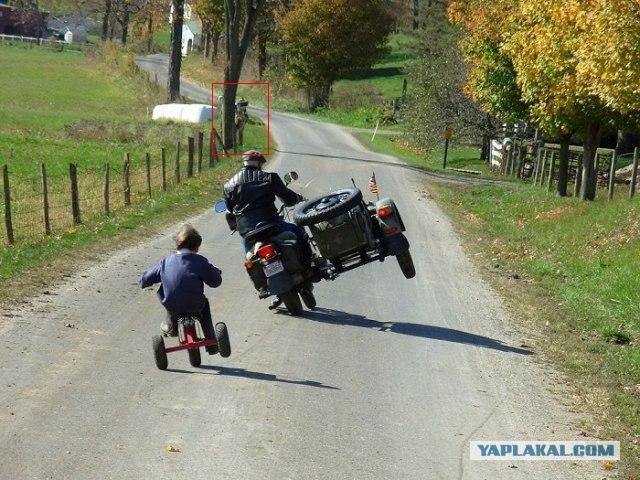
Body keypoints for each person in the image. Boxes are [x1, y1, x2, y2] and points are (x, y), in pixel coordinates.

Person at [139, 225, 222, 354]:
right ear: (197, 246)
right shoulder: (200, 261)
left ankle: (171, 326)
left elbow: (145, 280)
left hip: (172, 305)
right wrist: (216, 273)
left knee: (171, 299)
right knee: (204, 306)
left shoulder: (165, 262)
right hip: (196, 304)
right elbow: (215, 282)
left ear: (177, 244)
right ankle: (211, 343)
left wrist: (143, 280)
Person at [223, 150, 311, 258]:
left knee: (249, 257)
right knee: (300, 232)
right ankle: (309, 267)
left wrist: (235, 225)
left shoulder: (228, 186)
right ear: (259, 163)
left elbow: (229, 211)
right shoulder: (269, 177)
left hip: (248, 233)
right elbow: (288, 197)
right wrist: (297, 198)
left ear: (244, 162)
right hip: (272, 225)